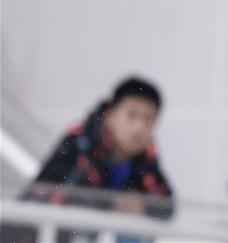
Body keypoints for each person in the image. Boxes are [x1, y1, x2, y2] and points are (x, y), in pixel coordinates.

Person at [11, 77, 174, 243]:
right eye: (131, 115)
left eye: (149, 120)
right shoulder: (81, 142)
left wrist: (142, 206)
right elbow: (53, 194)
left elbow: (166, 205)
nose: (139, 127)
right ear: (111, 115)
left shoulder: (145, 160)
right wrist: (114, 204)